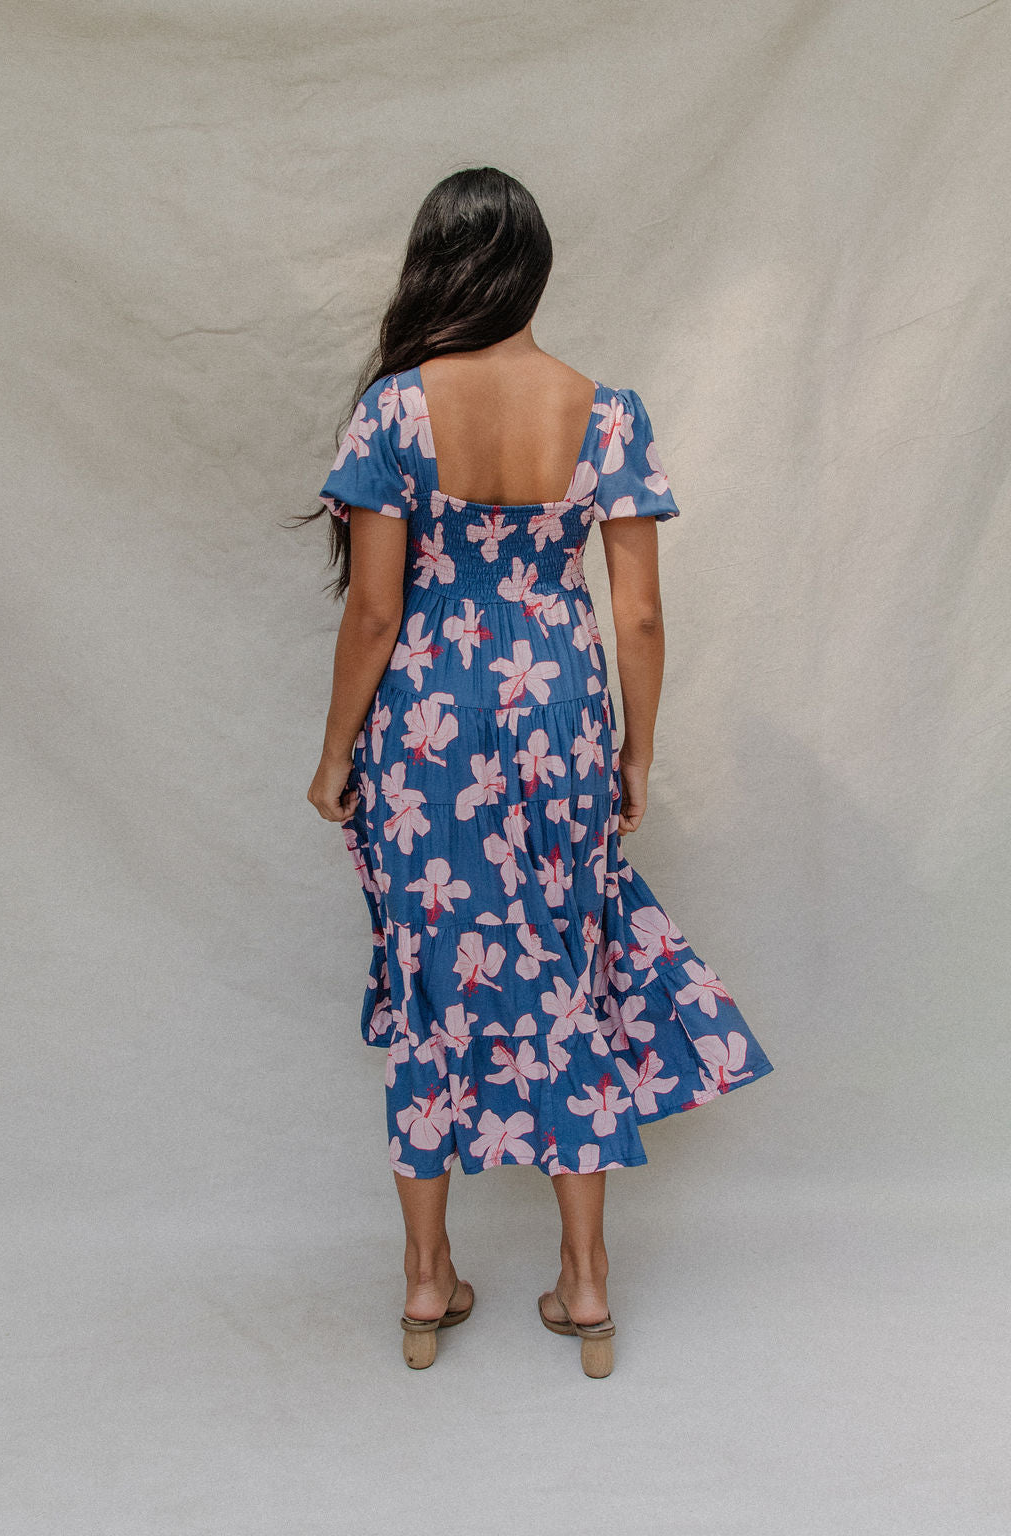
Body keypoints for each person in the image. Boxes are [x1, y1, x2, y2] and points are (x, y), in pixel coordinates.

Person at [301, 166, 773, 1377]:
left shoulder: (396, 411)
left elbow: (372, 612)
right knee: (566, 972)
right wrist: (635, 749)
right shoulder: (605, 411)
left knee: (430, 980)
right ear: (534, 269)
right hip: (558, 715)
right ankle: (587, 1284)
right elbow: (642, 618)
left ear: (435, 267)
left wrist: (335, 754)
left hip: (428, 731)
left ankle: (423, 1282)